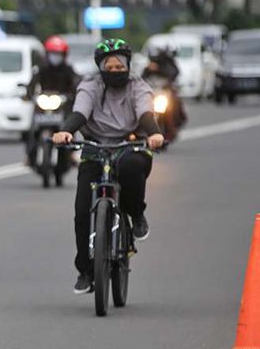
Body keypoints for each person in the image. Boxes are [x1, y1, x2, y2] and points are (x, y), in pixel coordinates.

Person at [52, 38, 164, 294]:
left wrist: (155, 134)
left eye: (119, 67)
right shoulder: (90, 85)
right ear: (100, 68)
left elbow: (146, 113)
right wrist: (65, 132)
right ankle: (85, 271)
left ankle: (135, 214)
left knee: (133, 169)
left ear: (127, 66)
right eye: (109, 68)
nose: (115, 72)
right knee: (82, 211)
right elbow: (80, 112)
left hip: (129, 145)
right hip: (95, 148)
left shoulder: (139, 86)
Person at [25, 35, 81, 164]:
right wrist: (29, 95)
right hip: (43, 106)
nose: (55, 57)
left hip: (62, 106)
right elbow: (31, 85)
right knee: (32, 128)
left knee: (70, 124)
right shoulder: (41, 69)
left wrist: (72, 96)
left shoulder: (68, 70)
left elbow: (76, 84)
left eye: (58, 54)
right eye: (52, 53)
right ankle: (29, 154)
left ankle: (71, 153)